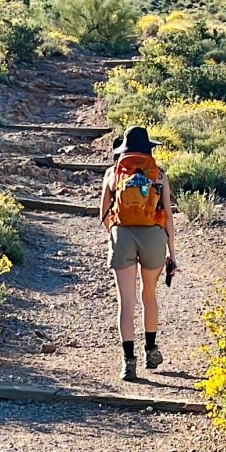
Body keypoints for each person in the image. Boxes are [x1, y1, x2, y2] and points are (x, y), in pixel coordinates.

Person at [99, 124, 176, 383]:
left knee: (126, 301)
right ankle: (151, 351)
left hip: (123, 235)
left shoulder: (113, 173)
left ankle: (128, 364)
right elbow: (168, 216)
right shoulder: (159, 175)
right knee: (149, 294)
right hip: (154, 236)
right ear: (148, 149)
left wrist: (116, 234)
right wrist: (171, 252)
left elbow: (103, 214)